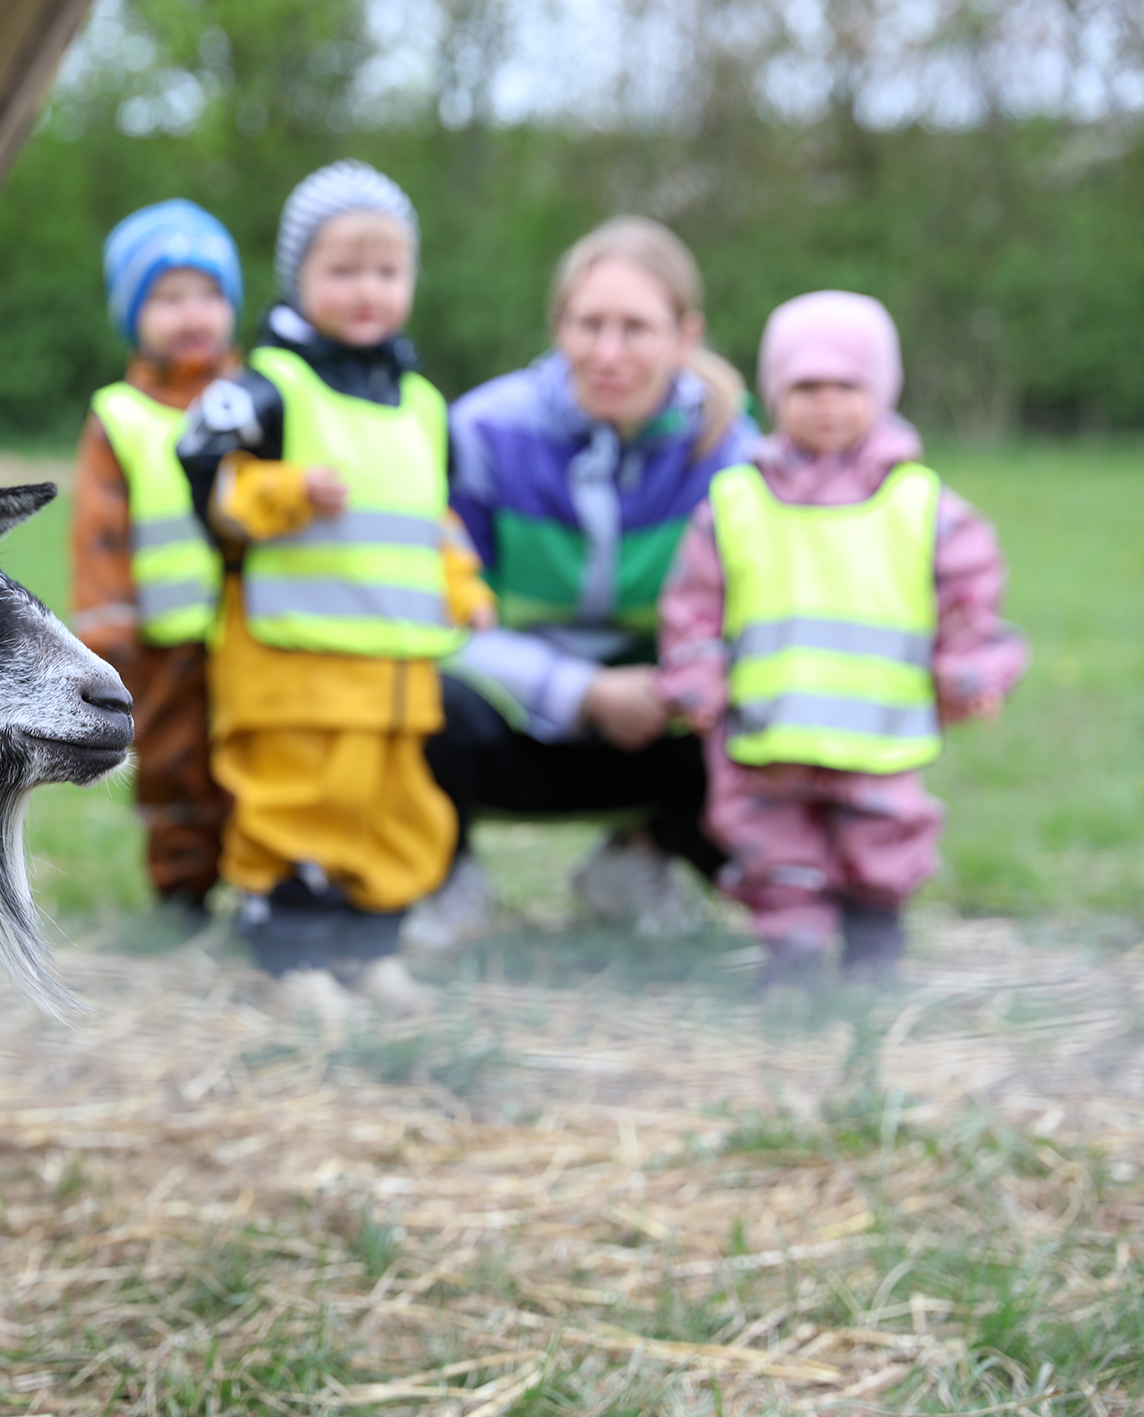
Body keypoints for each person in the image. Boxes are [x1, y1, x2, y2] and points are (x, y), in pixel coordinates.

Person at [177, 161, 495, 1018]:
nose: (368, 290)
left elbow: (434, 520)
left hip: (395, 673)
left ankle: (370, 948)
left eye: (387, 271)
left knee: (390, 816)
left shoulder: (425, 404)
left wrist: (464, 585)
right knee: (295, 810)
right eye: (343, 270)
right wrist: (282, 494)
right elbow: (211, 482)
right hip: (293, 665)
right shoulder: (266, 389)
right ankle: (289, 959)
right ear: (297, 278)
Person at [657, 291, 1026, 988]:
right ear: (775, 392)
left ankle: (873, 954)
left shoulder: (921, 502)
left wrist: (972, 667)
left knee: (882, 850)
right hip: (770, 736)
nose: (826, 404)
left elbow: (970, 595)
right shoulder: (737, 501)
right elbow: (694, 604)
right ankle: (791, 960)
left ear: (881, 390)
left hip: (877, 739)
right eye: (805, 386)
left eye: (846, 386)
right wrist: (695, 676)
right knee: (775, 852)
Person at [421, 216, 761, 946]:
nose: (607, 353)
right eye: (588, 325)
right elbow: (430, 613)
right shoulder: (481, 432)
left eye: (636, 328)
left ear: (685, 335)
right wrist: (581, 692)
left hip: (662, 723)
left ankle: (638, 859)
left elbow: (755, 625)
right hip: (510, 717)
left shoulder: (736, 460)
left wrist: (670, 687)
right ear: (558, 327)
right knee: (411, 687)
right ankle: (443, 875)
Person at [70, 199, 242, 926]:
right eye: (167, 298)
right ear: (133, 315)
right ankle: (183, 889)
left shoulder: (259, 398)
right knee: (174, 765)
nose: (191, 313)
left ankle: (268, 881)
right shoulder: (120, 415)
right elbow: (100, 532)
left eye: (208, 293)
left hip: (255, 628)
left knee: (258, 754)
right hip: (165, 636)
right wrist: (109, 635)